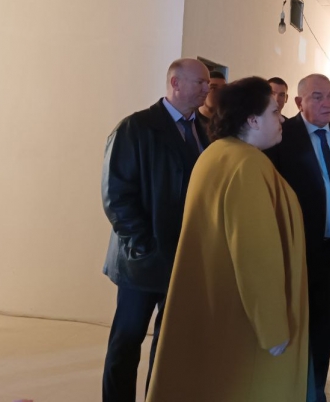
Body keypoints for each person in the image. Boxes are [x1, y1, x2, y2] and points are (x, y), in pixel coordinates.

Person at [146, 77, 309, 402]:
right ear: (252, 120)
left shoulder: (216, 154)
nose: (281, 118)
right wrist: (272, 327)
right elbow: (254, 254)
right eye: (274, 112)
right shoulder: (248, 165)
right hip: (244, 323)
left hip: (217, 308)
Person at [101, 58, 210, 402]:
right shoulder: (135, 128)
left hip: (183, 258)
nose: (207, 89)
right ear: (175, 83)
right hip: (141, 261)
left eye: (207, 83)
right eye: (200, 82)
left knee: (168, 347)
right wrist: (143, 246)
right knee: (126, 342)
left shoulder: (204, 130)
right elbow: (116, 196)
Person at [266, 74, 330, 402]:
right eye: (318, 97)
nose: (327, 103)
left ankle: (317, 386)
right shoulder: (283, 136)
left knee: (326, 322)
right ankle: (292, 386)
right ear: (299, 102)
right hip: (296, 249)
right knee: (297, 321)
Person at [196, 70, 226, 135]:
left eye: (223, 89)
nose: (220, 93)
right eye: (213, 88)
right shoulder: (192, 123)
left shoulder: (227, 123)